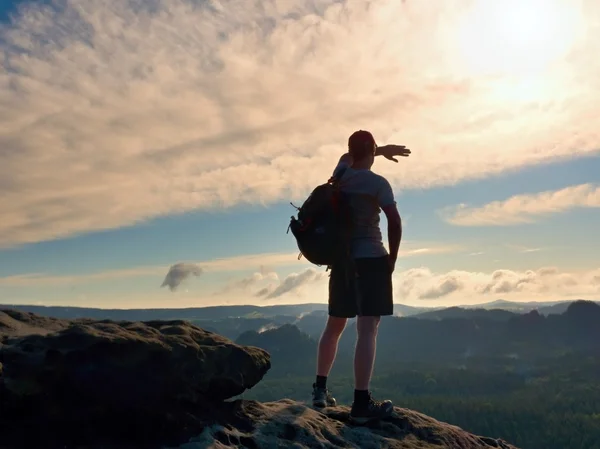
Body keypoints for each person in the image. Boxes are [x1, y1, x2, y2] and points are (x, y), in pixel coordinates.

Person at [311, 130, 408, 424]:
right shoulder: (378, 183)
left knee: (334, 326)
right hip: (371, 259)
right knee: (367, 330)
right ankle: (361, 403)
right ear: (372, 148)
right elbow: (394, 220)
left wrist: (377, 150)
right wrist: (392, 258)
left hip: (342, 261)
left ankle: (319, 391)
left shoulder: (340, 172)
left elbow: (352, 157)